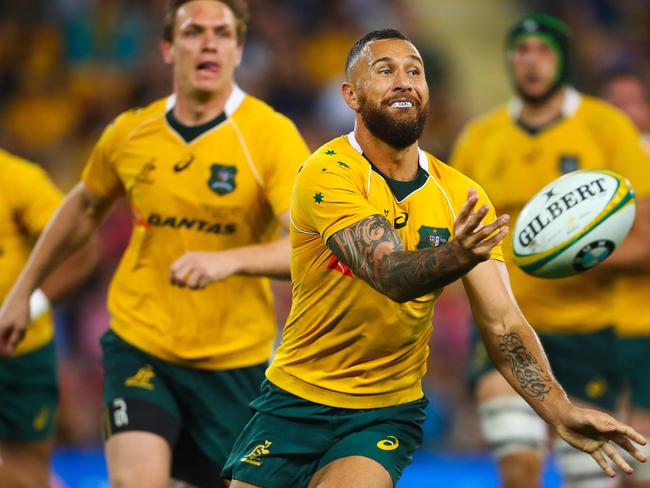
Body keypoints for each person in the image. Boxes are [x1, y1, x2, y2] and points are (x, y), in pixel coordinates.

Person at [222, 28, 647, 488]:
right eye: (384, 71)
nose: (403, 81)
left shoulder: (461, 194)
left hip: (383, 412)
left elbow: (502, 322)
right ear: (351, 94)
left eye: (414, 71)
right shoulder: (327, 172)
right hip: (294, 401)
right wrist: (457, 253)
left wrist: (560, 411)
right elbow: (390, 274)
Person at [0, 1, 310, 487]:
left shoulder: (271, 136)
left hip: (233, 360)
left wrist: (228, 262)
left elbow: (308, 245)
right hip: (141, 343)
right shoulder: (131, 133)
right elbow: (83, 207)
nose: (208, 42)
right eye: (193, 32)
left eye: (222, 33)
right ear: (168, 47)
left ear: (238, 49)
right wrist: (24, 293)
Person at [450, 14, 650, 488]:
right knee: (517, 458)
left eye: (544, 50)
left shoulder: (607, 128)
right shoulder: (480, 137)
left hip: (586, 331)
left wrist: (570, 255)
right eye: (521, 50)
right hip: (506, 325)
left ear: (563, 59)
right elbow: (454, 232)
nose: (531, 62)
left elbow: (645, 241)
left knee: (595, 476)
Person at [0, 149, 98, 488]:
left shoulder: (17, 179)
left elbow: (83, 245)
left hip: (21, 352)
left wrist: (30, 304)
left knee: (29, 466)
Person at [599, 68, 650, 488]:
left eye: (630, 102)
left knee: (634, 461)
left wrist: (575, 260)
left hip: (641, 328)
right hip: (589, 327)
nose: (621, 113)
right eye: (612, 104)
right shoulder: (586, 170)